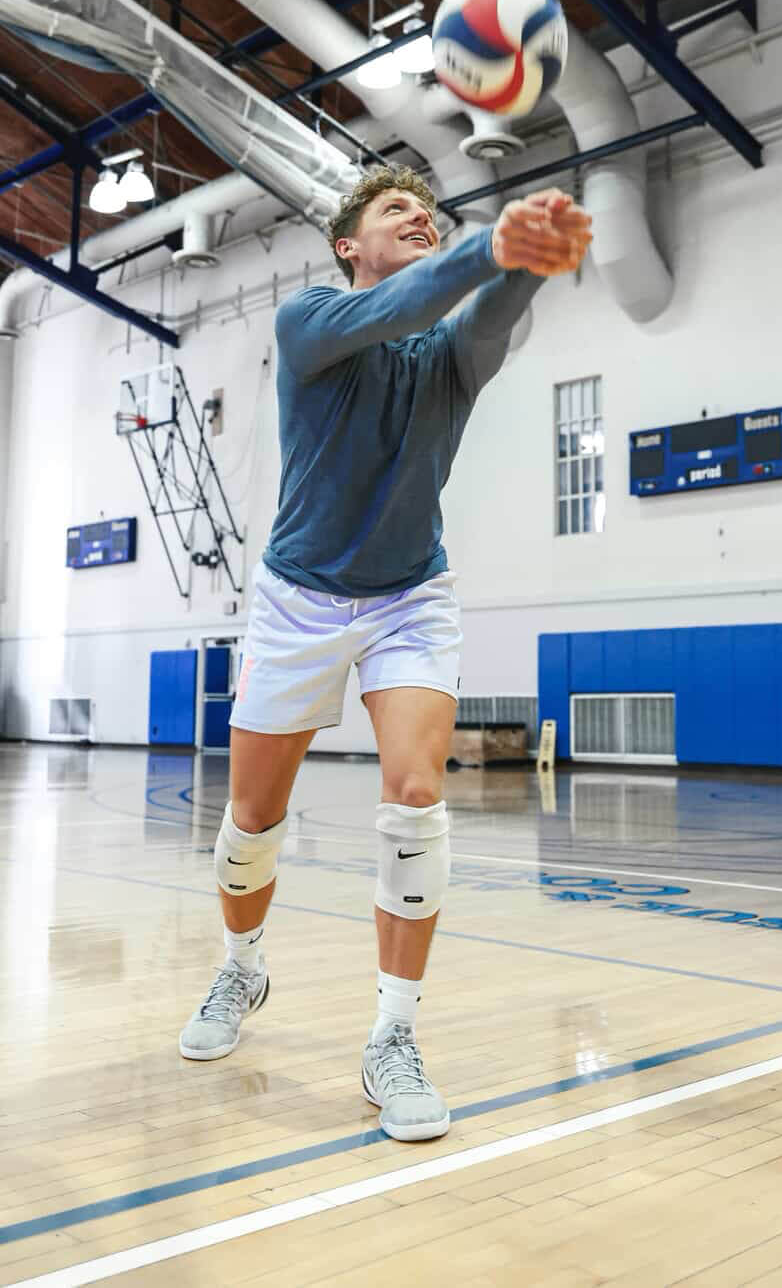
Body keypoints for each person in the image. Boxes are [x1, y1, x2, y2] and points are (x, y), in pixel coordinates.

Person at [179, 165, 593, 1142]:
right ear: (346, 246)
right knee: (251, 817)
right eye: (395, 210)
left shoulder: (449, 358)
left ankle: (394, 1034)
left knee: (415, 797)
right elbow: (422, 290)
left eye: (430, 213)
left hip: (412, 594)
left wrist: (531, 256)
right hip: (295, 600)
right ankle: (242, 966)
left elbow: (483, 314)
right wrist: (486, 245)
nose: (419, 217)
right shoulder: (310, 321)